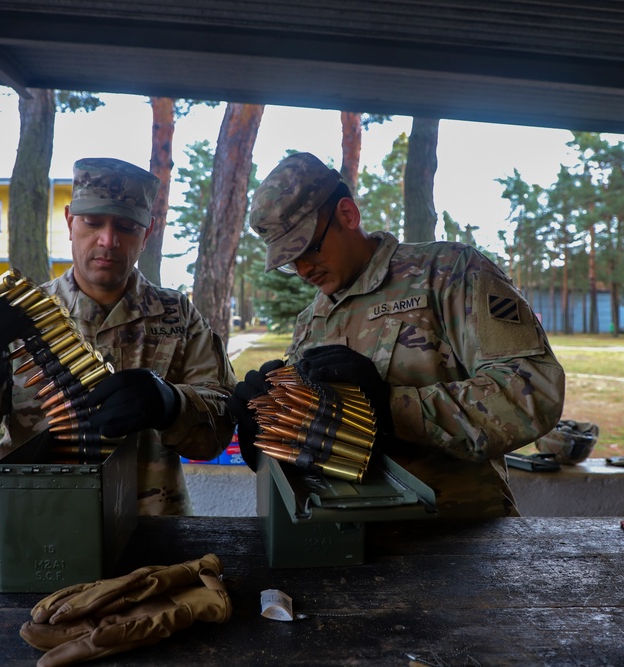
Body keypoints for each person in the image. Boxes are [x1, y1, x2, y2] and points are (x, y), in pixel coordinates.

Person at [228, 152, 565, 519]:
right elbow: (323, 439)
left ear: (347, 214)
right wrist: (269, 424)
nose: (303, 268)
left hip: (458, 538)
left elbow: (532, 391)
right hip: (350, 539)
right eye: (290, 261)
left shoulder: (448, 272)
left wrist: (390, 408)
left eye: (308, 247)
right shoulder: (314, 317)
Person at [0, 157, 237, 516]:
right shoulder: (15, 319)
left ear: (146, 234)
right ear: (70, 222)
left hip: (151, 532)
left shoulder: (178, 315)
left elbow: (219, 430)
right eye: (93, 222)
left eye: (127, 226)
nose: (109, 240)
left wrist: (172, 405)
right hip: (40, 526)